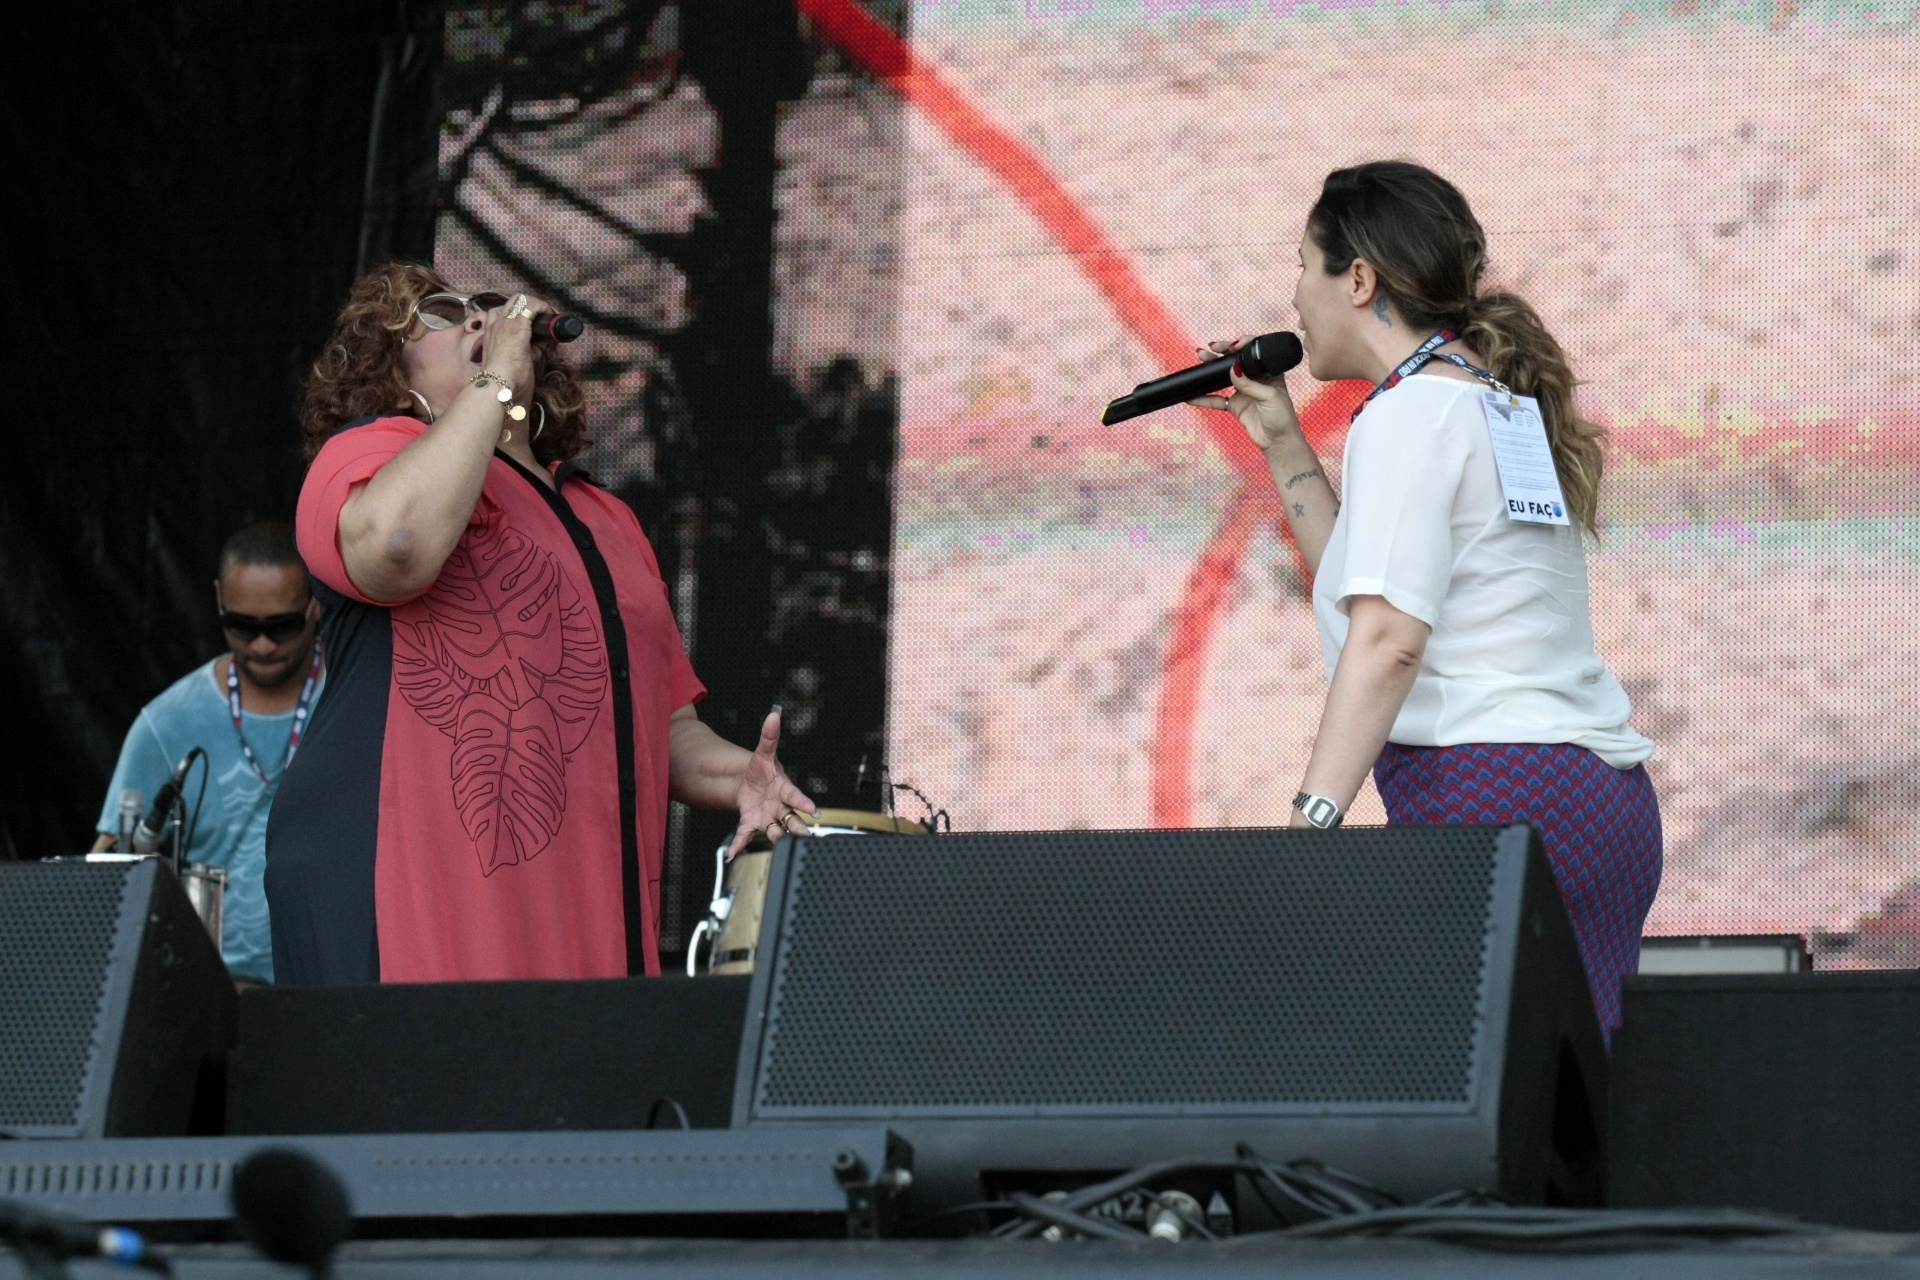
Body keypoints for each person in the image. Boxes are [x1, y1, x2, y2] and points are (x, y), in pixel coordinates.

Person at [1193, 161, 1661, 1037]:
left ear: (1359, 279)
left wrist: (1310, 825)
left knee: (1446, 1114)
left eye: (1305, 266)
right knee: (1575, 1125)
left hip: (1497, 800)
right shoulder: (1489, 398)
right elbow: (1365, 591)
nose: (1294, 299)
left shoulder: (1408, 415)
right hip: (1601, 809)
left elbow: (1387, 642)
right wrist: (1284, 441)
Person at [267, 263, 815, 986]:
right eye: (442, 314)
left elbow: (661, 725)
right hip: (404, 895)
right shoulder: (369, 454)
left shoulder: (606, 518)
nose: (477, 320)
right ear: (390, 373)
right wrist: (491, 386)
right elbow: (396, 549)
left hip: (580, 912)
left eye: (488, 311)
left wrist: (739, 776)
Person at [93, 521, 325, 983]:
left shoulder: (358, 702)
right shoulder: (167, 724)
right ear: (219, 599)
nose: (262, 644)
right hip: (211, 995)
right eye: (241, 625)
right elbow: (105, 872)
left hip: (331, 990)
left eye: (282, 625)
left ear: (316, 603)